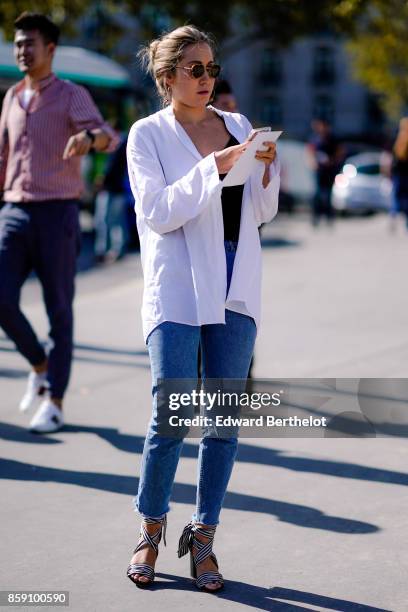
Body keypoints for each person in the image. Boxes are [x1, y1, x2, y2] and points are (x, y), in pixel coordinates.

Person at [126, 25, 280, 592]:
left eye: (212, 68)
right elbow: (157, 212)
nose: (207, 78)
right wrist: (210, 169)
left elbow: (261, 212)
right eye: (195, 69)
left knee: (223, 424)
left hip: (236, 285)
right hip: (177, 288)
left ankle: (204, 538)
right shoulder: (146, 135)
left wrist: (265, 168)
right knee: (170, 416)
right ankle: (150, 528)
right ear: (168, 78)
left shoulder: (238, 126)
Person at [0, 12, 118, 433]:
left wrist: (88, 139)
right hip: (13, 211)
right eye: (17, 44)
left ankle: (55, 400)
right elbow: (4, 156)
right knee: (2, 299)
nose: (22, 51)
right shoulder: (11, 96)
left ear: (50, 49)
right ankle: (39, 362)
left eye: (29, 43)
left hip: (57, 213)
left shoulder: (71, 95)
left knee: (59, 311)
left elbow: (108, 134)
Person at [94, 136, 130, 263]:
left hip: (110, 189)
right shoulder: (122, 146)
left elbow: (110, 169)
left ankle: (106, 250)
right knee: (115, 222)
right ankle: (115, 249)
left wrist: (101, 180)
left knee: (105, 221)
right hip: (117, 189)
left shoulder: (116, 147)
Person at [307, 118, 342, 226]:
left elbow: (340, 152)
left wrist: (332, 161)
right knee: (317, 195)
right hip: (318, 171)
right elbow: (310, 151)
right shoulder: (315, 138)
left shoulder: (332, 138)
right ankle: (316, 218)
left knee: (328, 195)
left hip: (329, 171)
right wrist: (312, 162)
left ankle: (329, 218)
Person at [390, 117, 408, 229]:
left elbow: (393, 159)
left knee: (397, 196)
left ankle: (393, 216)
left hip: (399, 173)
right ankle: (404, 221)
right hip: (404, 174)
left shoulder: (398, 139)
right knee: (404, 197)